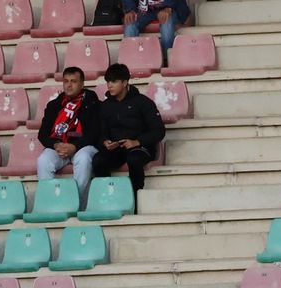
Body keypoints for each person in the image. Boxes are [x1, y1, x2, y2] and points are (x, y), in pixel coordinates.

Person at [94, 63, 164, 203]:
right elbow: (101, 132)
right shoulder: (105, 106)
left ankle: (135, 200)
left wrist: (136, 142)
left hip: (140, 147)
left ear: (125, 82)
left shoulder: (143, 102)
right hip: (117, 149)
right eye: (108, 81)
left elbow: (159, 131)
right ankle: (108, 198)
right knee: (98, 160)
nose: (109, 85)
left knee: (134, 159)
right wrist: (105, 142)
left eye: (114, 81)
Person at [36, 66, 102, 203]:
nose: (69, 85)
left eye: (73, 81)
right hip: (59, 147)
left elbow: (95, 133)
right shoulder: (54, 105)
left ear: (82, 84)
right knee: (43, 161)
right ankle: (52, 202)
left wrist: (74, 146)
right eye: (66, 81)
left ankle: (74, 202)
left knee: (84, 159)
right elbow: (42, 134)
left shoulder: (92, 102)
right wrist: (56, 145)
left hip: (83, 145)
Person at [123, 0, 190, 59]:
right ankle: (129, 63)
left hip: (168, 9)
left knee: (167, 24)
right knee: (130, 24)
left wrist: (169, 7)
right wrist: (130, 10)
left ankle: (167, 61)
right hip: (144, 11)